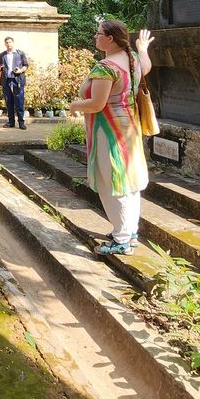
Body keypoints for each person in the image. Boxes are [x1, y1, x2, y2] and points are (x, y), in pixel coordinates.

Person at [68, 20, 154, 255]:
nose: (95, 37)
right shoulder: (133, 58)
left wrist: (75, 104)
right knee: (129, 181)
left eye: (99, 34)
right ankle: (129, 232)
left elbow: (96, 104)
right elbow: (146, 67)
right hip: (129, 127)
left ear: (111, 39)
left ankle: (122, 239)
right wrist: (143, 48)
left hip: (109, 131)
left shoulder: (106, 67)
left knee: (113, 182)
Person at [0, 37, 30, 129]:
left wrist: (20, 70)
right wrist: (0, 68)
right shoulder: (2, 55)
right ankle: (11, 122)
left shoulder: (20, 53)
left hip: (18, 79)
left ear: (13, 43)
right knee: (8, 101)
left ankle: (21, 122)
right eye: (7, 43)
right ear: (5, 44)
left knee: (19, 101)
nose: (9, 44)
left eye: (10, 42)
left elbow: (26, 65)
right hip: (6, 79)